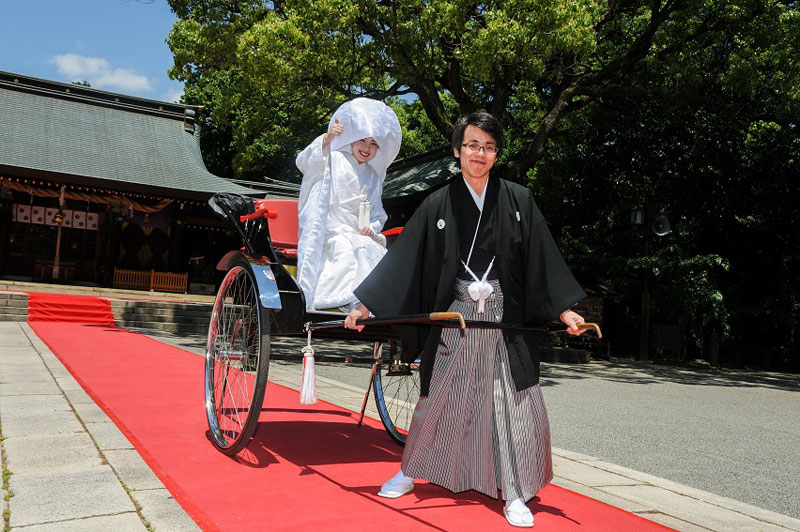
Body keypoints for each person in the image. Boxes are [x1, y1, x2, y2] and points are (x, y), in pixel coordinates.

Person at [345, 111, 587, 528]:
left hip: (503, 318)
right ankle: (411, 470)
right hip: (456, 316)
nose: (481, 153)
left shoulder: (519, 200)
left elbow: (542, 259)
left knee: (511, 402)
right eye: (473, 145)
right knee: (442, 396)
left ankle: (514, 491)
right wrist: (367, 303)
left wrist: (564, 308)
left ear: (497, 154)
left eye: (489, 147)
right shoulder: (438, 202)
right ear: (458, 151)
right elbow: (406, 259)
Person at [296, 98, 402, 311]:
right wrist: (327, 139)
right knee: (347, 249)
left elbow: (377, 214)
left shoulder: (373, 176)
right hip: (330, 230)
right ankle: (344, 300)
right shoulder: (333, 159)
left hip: (358, 234)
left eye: (373, 144)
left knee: (375, 252)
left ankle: (367, 304)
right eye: (362, 140)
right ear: (352, 140)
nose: (367, 148)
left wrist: (370, 228)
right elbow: (304, 163)